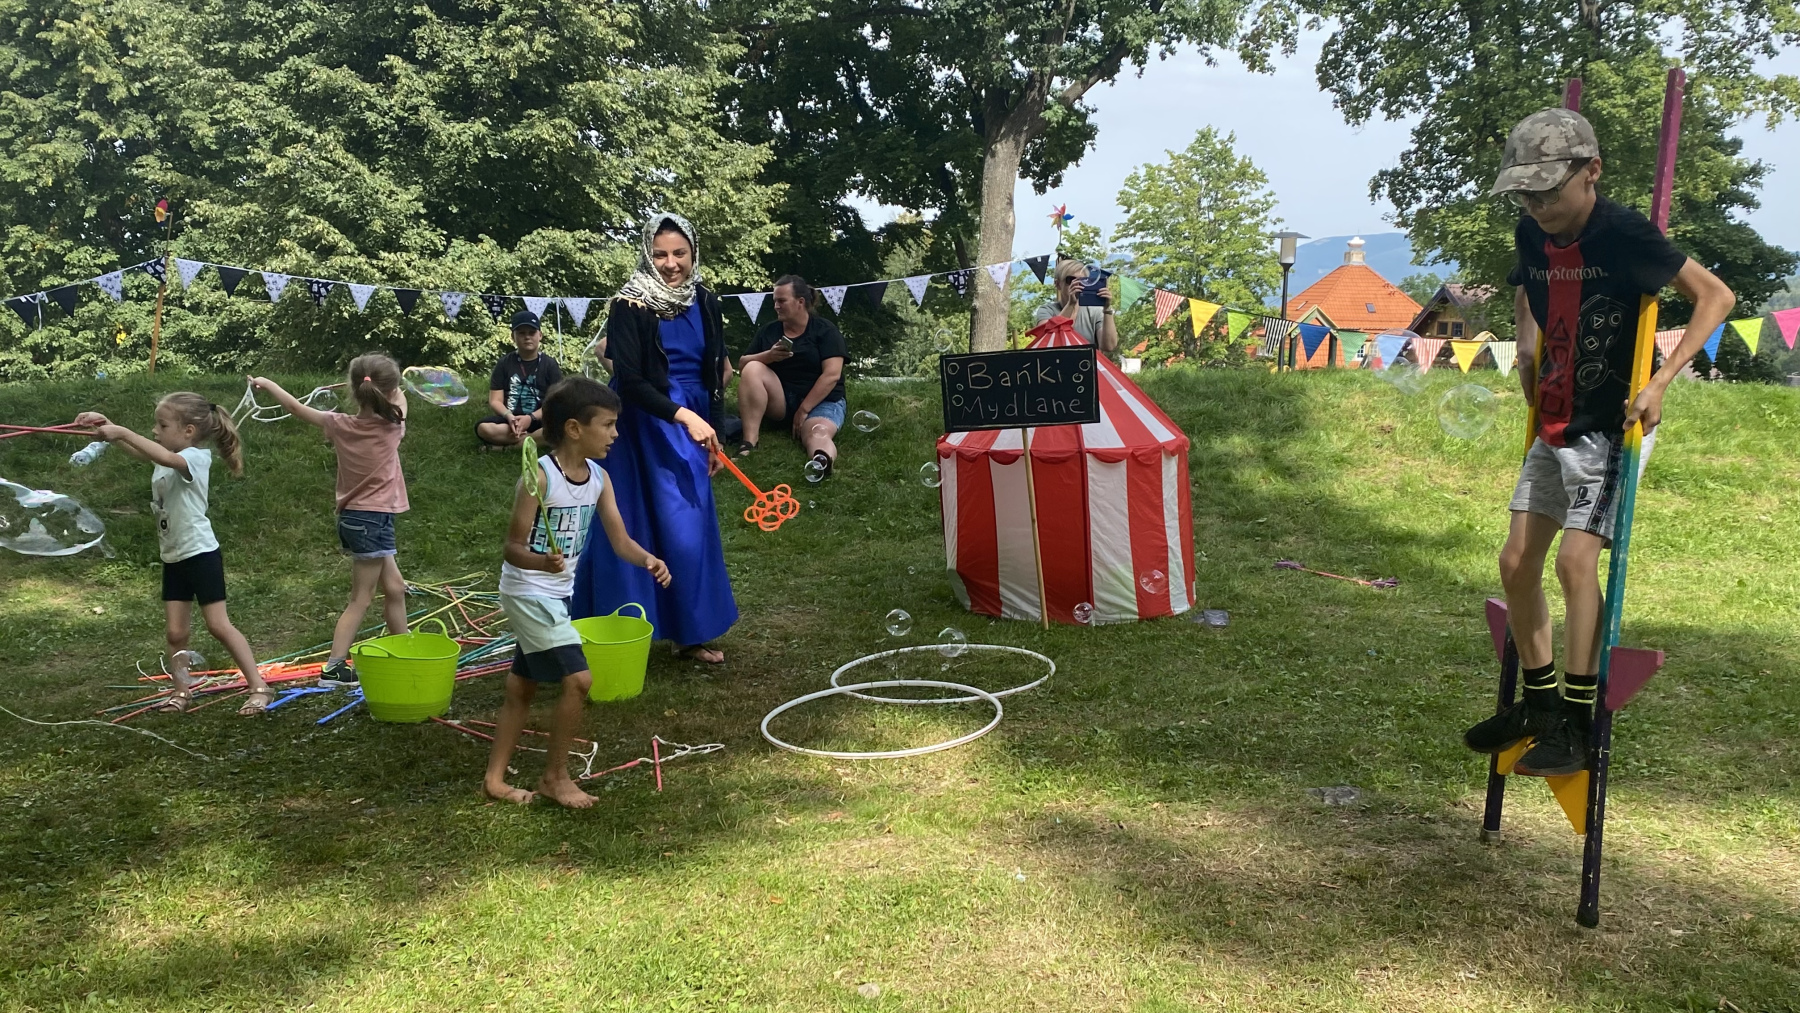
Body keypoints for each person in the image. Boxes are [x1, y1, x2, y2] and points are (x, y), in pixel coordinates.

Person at [1462, 108, 1734, 775]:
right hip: (1554, 417)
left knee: (1575, 563)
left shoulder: (1624, 233)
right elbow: (1527, 289)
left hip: (1612, 426)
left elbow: (1716, 297)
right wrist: (1527, 351)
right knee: (1516, 562)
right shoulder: (1532, 234)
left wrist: (1662, 381)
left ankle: (1579, 722)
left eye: (1548, 191)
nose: (1537, 207)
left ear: (1592, 172)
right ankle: (1541, 704)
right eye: (1525, 195)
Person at [486, 377, 671, 807]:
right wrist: (540, 562)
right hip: (528, 592)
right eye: (607, 425)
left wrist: (648, 559)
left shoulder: (599, 478)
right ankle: (555, 776)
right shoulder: (539, 477)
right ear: (574, 428)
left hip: (557, 594)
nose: (615, 433)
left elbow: (620, 540)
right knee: (579, 680)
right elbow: (512, 548)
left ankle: (494, 780)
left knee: (522, 687)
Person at [573, 212, 738, 664]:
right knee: (629, 523)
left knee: (688, 526)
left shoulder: (706, 300)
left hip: (692, 420)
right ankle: (617, 631)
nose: (671, 263)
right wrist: (684, 416)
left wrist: (715, 433)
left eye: (679, 253)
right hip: (640, 425)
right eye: (661, 254)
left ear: (693, 253)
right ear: (648, 254)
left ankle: (691, 634)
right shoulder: (629, 304)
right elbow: (630, 380)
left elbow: (715, 374)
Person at [74, 395, 277, 715]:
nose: (155, 430)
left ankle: (259, 687)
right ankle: (181, 691)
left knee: (218, 625)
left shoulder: (195, 458)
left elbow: (162, 456)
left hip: (200, 554)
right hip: (173, 558)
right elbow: (143, 451)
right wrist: (107, 426)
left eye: (163, 425)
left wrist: (123, 431)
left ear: (189, 431)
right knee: (175, 633)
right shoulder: (168, 455)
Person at [250, 355, 413, 688]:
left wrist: (267, 384)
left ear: (354, 390)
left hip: (355, 519)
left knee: (395, 587)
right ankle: (334, 667)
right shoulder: (392, 427)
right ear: (390, 391)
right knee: (361, 599)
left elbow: (295, 408)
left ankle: (406, 648)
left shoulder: (338, 424)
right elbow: (400, 404)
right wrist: (397, 388)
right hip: (373, 521)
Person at [735, 275, 848, 474]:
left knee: (816, 433)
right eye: (774, 301)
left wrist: (804, 410)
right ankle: (749, 442)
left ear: (800, 302)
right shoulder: (769, 331)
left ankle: (821, 462)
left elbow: (832, 375)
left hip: (823, 401)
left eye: (781, 301)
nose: (776, 306)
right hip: (783, 400)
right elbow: (743, 364)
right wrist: (768, 356)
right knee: (753, 367)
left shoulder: (825, 330)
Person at [476, 311, 565, 448]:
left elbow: (556, 402)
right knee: (483, 428)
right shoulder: (504, 363)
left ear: (540, 335)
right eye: (521, 333)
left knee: (560, 427)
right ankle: (531, 440)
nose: (527, 337)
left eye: (532, 333)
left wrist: (531, 418)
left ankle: (509, 447)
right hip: (511, 420)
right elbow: (495, 400)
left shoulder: (550, 364)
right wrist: (509, 416)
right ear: (513, 337)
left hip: (540, 418)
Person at [1052, 258, 1119, 354]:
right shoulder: (1047, 310)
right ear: (1057, 284)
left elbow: (1109, 346)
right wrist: (1071, 304)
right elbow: (1050, 340)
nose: (1076, 284)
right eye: (1071, 280)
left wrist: (1107, 309)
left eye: (1082, 280)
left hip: (1087, 363)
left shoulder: (1094, 311)